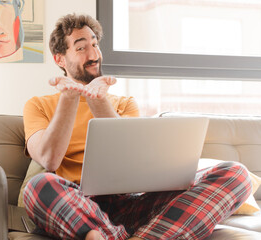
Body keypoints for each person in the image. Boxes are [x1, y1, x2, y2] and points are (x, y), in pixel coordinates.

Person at [22, 13, 252, 240]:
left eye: (95, 44)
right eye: (81, 48)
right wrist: (69, 98)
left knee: (236, 174)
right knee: (39, 186)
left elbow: (130, 160)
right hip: (77, 205)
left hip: (131, 204)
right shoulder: (39, 105)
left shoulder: (124, 104)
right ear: (60, 59)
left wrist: (97, 100)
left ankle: (123, 237)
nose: (93, 54)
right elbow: (49, 159)